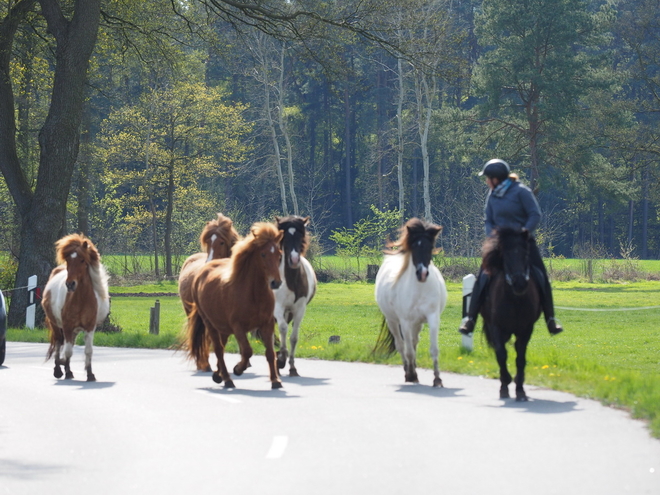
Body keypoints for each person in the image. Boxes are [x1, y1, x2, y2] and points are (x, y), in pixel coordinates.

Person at [459, 158, 563, 336]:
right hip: (500, 245)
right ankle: (470, 319)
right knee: (482, 277)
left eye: (488, 178)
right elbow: (488, 220)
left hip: (523, 242)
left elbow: (534, 214)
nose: (486, 181)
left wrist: (525, 231)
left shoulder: (521, 192)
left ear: (496, 178)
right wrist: (493, 237)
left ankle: (551, 319)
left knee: (540, 274)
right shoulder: (492, 195)